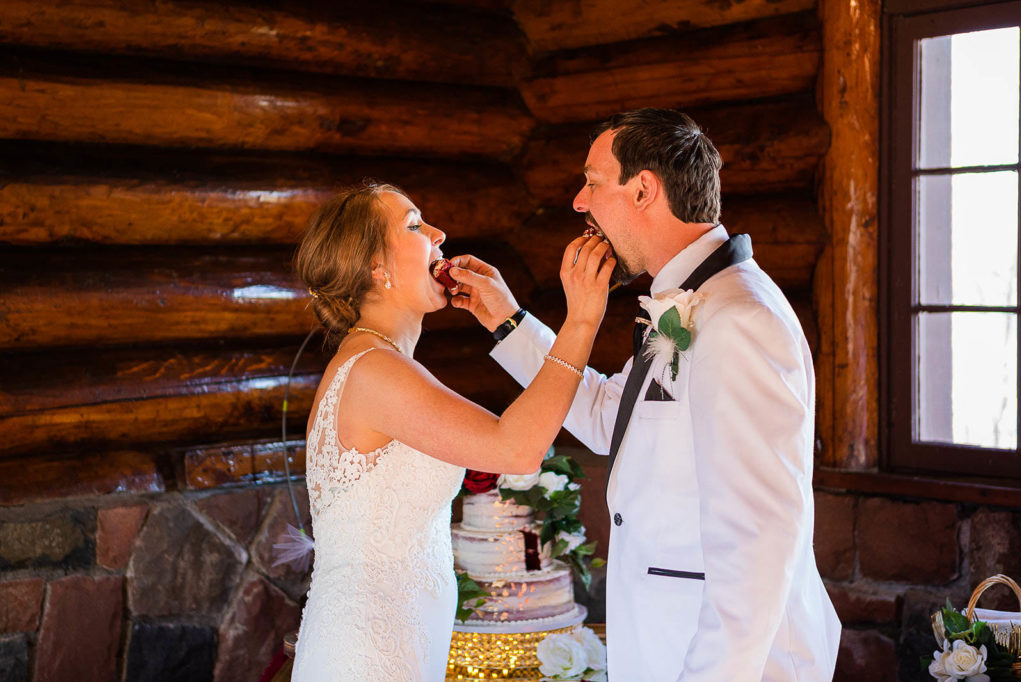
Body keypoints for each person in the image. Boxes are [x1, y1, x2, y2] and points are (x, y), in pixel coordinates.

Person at [449, 109, 841, 680]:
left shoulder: (738, 320)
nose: (579, 203)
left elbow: (759, 544)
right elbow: (612, 416)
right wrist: (507, 320)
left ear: (643, 190)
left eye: (592, 182)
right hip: (661, 644)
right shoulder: (686, 301)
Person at [287, 181, 614, 681]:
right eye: (416, 225)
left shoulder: (377, 361)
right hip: (368, 656)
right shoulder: (375, 370)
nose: (439, 233)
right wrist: (583, 320)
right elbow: (517, 447)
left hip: (399, 644)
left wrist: (507, 319)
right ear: (376, 266)